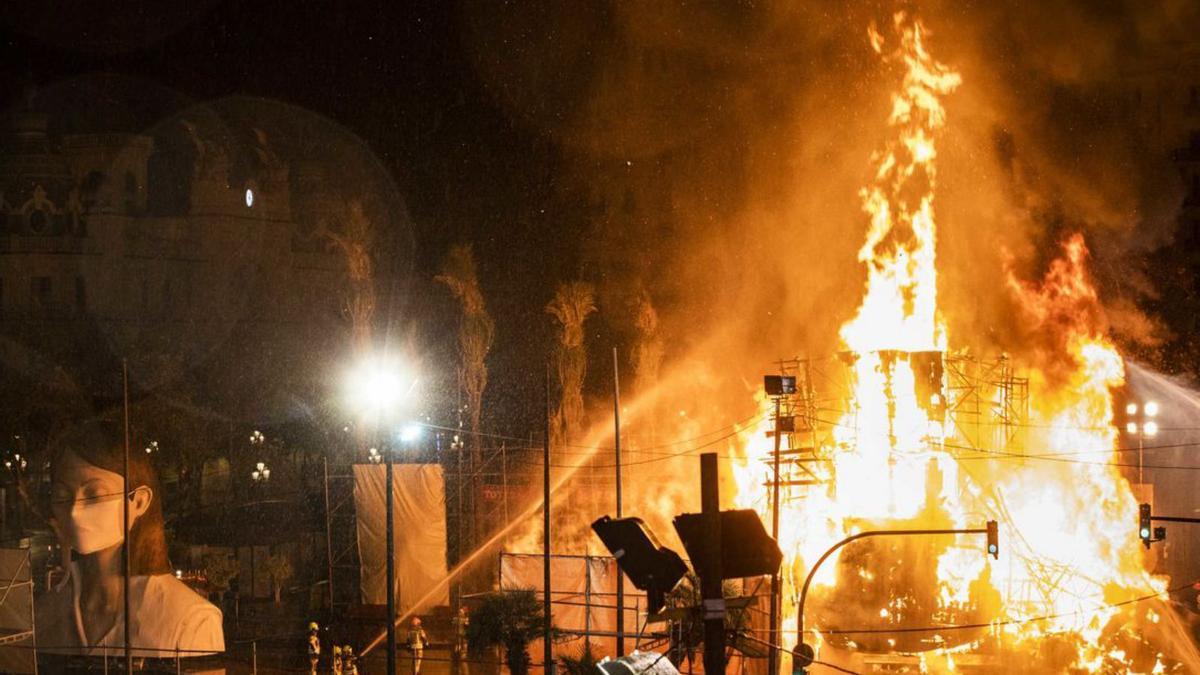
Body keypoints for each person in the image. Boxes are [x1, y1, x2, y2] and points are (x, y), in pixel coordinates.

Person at [36, 420, 224, 658]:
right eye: (63, 495)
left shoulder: (189, 620)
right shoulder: (46, 612)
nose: (75, 510)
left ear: (139, 501)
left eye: (94, 494)